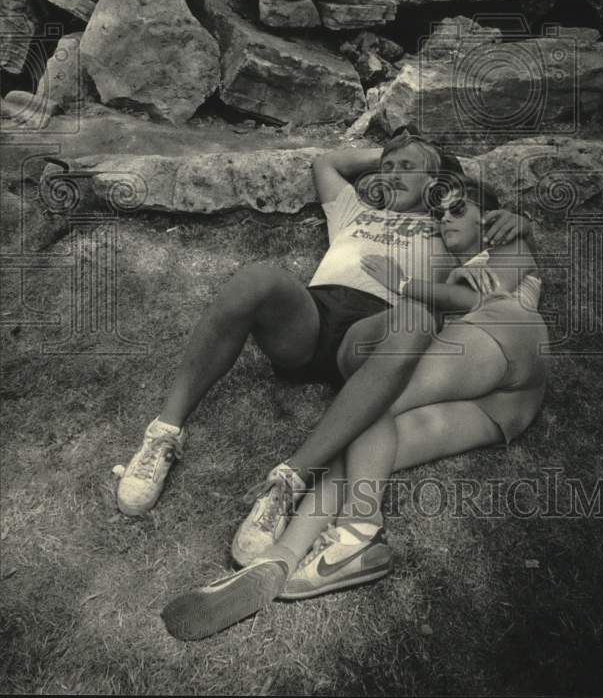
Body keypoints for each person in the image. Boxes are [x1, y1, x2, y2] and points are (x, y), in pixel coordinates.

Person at [161, 175, 548, 640]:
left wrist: (408, 281)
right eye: (442, 212)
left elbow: (485, 294)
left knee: (371, 399)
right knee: (370, 453)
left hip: (504, 334)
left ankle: (361, 530)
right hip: (510, 405)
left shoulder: (510, 238)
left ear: (490, 218)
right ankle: (285, 556)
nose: (446, 217)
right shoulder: (447, 271)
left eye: (459, 209)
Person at [116, 128, 530, 523]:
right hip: (312, 319)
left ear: (438, 182)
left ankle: (291, 479)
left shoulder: (448, 229)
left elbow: (501, 266)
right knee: (256, 277)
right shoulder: (355, 209)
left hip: (376, 334)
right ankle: (164, 433)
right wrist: (393, 156)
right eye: (388, 169)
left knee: (417, 318)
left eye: (407, 168)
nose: (392, 175)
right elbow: (326, 163)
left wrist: (515, 224)